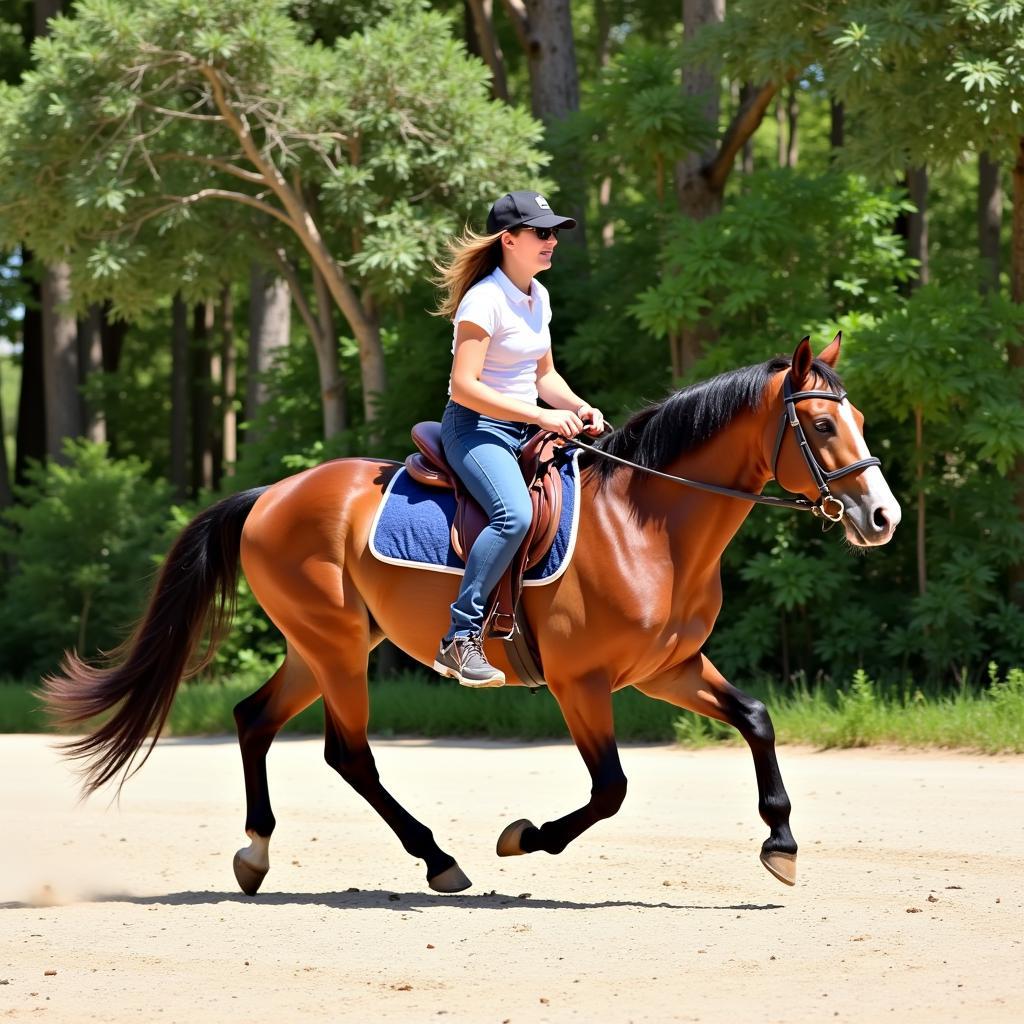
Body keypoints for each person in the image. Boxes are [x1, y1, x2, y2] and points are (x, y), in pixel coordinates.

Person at [430, 190, 604, 688]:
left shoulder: (538, 296)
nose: (552, 241)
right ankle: (460, 638)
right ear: (509, 239)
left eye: (554, 232)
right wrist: (540, 416)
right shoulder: (484, 299)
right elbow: (466, 385)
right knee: (515, 516)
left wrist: (576, 406)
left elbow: (544, 375)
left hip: (527, 424)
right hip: (475, 427)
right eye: (541, 232)